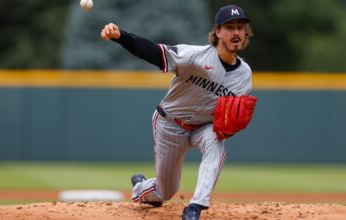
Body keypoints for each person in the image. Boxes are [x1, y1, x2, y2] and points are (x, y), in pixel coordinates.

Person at [101, 4, 253, 220]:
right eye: (230, 27)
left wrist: (229, 128)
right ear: (218, 32)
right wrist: (121, 36)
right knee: (165, 191)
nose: (236, 32)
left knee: (217, 143)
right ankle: (140, 186)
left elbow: (231, 117)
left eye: (240, 27)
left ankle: (196, 206)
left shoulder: (244, 75)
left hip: (205, 127)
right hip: (171, 123)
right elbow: (154, 52)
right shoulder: (194, 56)